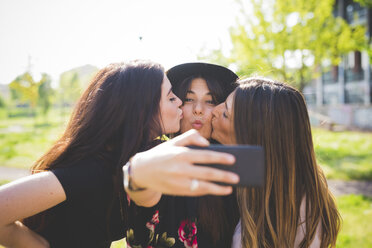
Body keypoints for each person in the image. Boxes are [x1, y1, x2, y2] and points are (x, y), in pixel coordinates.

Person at [0, 60, 239, 248]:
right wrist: (39, 245)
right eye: (171, 97)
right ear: (142, 108)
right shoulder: (97, 168)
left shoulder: (133, 155)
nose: (180, 103)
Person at [211, 77, 341, 247]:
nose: (214, 110)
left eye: (225, 114)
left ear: (251, 136)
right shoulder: (265, 186)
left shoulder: (300, 216)